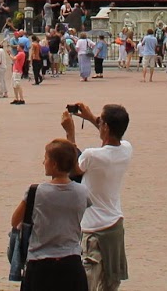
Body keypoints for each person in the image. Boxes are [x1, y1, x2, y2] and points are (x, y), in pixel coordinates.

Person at [61, 103, 130, 291]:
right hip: (115, 225)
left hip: (93, 229)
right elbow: (113, 137)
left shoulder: (91, 155)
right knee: (110, 283)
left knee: (87, 283)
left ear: (105, 126)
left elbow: (74, 168)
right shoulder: (126, 149)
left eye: (101, 121)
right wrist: (91, 118)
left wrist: (70, 133)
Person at [9, 138, 89, 288]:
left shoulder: (35, 192)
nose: (43, 162)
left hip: (40, 265)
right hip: (72, 264)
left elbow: (15, 221)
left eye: (45, 158)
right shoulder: (82, 191)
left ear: (54, 164)